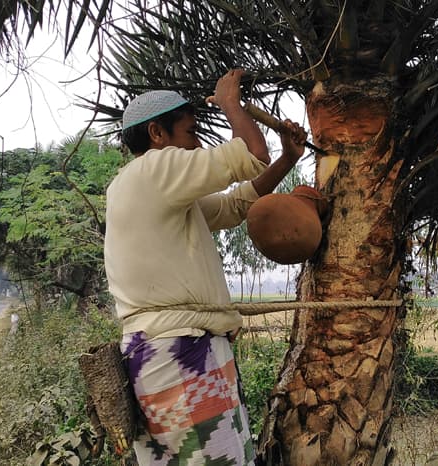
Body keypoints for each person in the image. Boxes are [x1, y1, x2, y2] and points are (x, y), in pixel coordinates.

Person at [104, 69, 306, 465]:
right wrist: (230, 100)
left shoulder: (155, 190)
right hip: (179, 350)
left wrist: (289, 158)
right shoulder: (153, 170)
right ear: (157, 135)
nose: (196, 143)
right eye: (190, 131)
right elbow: (250, 155)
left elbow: (236, 205)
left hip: (175, 350)